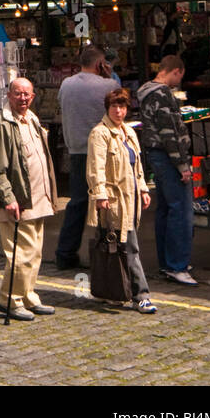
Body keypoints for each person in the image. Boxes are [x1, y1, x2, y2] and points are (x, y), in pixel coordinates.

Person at [0, 77, 57, 321]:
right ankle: (10, 300)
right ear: (9, 95)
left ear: (33, 96)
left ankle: (28, 296)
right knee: (20, 255)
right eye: (18, 94)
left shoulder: (32, 119)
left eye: (27, 94)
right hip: (17, 201)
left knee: (34, 253)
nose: (23, 98)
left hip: (37, 199)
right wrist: (8, 198)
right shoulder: (1, 124)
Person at [87, 88, 155, 313]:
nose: (119, 111)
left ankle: (112, 291)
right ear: (107, 108)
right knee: (128, 246)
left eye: (123, 107)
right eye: (115, 106)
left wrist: (144, 189)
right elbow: (95, 167)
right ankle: (141, 295)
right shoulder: (100, 133)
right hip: (115, 201)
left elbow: (138, 166)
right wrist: (100, 194)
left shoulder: (129, 131)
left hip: (131, 199)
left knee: (116, 247)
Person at [137, 54, 197, 285]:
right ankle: (177, 265)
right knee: (180, 210)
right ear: (176, 71)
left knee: (165, 209)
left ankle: (168, 261)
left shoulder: (146, 91)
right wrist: (182, 164)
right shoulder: (162, 94)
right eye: (179, 76)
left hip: (156, 155)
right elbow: (169, 132)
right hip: (168, 157)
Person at [54, 46, 115, 269]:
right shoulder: (109, 85)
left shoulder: (66, 84)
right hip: (103, 151)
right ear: (100, 64)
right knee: (108, 202)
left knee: (78, 202)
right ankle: (107, 250)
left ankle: (65, 252)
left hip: (77, 150)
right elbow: (117, 105)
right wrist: (110, 77)